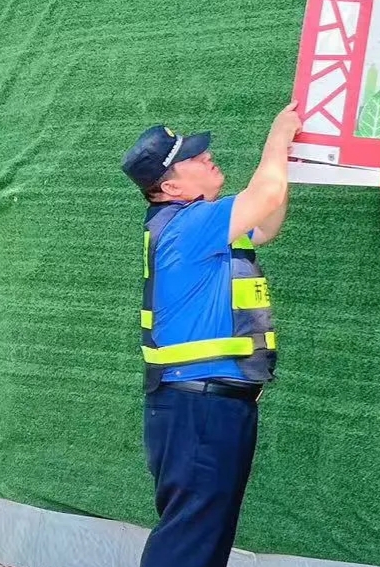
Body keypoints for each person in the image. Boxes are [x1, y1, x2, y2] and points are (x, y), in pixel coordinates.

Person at [121, 103, 300, 567]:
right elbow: (264, 196)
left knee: (202, 537)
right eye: (193, 158)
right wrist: (277, 137)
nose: (206, 157)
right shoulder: (190, 225)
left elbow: (267, 222)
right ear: (171, 188)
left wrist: (287, 160)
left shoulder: (200, 225)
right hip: (198, 406)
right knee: (190, 541)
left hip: (205, 404)